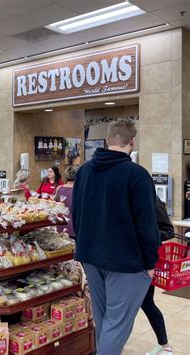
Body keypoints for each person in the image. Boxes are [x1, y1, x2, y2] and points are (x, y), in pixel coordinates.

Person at [72, 119, 160, 354]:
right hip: (125, 261)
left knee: (104, 320)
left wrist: (82, 245)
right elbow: (147, 225)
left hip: (89, 255)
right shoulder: (137, 175)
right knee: (117, 324)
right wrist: (151, 262)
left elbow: (76, 214)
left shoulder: (84, 171)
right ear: (132, 141)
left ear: (107, 140)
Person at [143, 198, 174, 355]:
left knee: (147, 303)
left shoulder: (153, 200)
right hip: (125, 262)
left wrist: (147, 234)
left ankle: (166, 346)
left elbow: (169, 231)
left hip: (145, 262)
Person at [54, 166, 77, 238]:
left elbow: (54, 205)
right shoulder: (79, 190)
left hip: (60, 225)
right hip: (74, 225)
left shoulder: (59, 188)